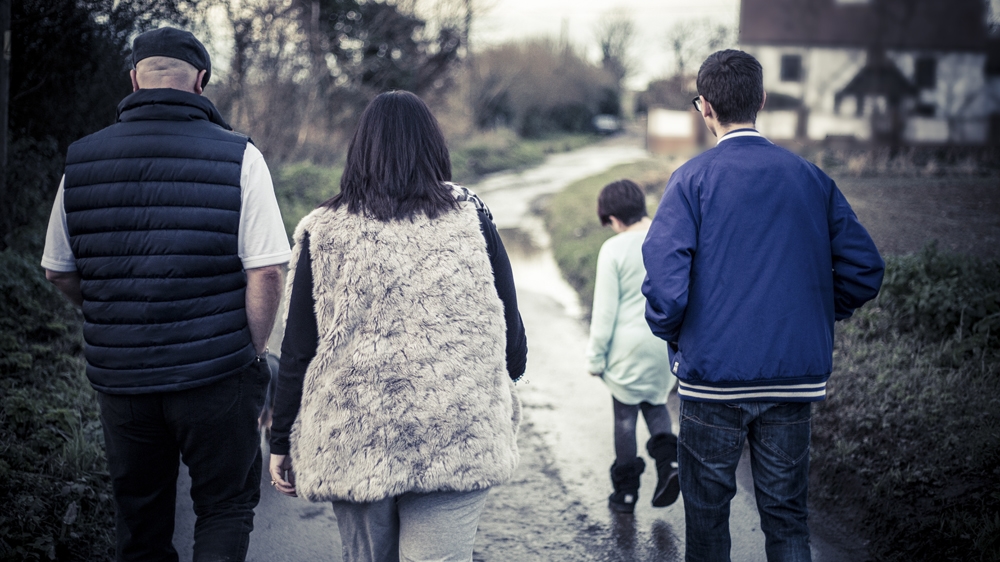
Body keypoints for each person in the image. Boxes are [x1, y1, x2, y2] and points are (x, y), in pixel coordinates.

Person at [41, 27, 290, 561]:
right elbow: (267, 270)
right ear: (201, 82)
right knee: (223, 508)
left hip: (123, 380)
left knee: (141, 518)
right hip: (217, 374)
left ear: (133, 78)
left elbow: (58, 271)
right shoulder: (240, 157)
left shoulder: (80, 160)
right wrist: (249, 349)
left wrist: (113, 315)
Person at [641, 49, 884, 562]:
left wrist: (678, 333)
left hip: (711, 382)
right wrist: (814, 312)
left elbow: (665, 288)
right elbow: (865, 269)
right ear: (763, 101)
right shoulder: (811, 178)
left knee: (707, 522)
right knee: (788, 520)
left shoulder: (690, 180)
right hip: (792, 380)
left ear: (703, 107)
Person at [267, 90, 527, 562]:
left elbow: (299, 349)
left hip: (358, 437)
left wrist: (281, 438)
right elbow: (513, 339)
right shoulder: (470, 216)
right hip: (457, 433)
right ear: (434, 147)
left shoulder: (322, 230)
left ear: (359, 151)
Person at [585, 179, 679, 514]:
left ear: (613, 218)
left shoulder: (614, 249)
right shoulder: (666, 237)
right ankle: (669, 466)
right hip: (661, 343)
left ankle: (625, 493)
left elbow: (605, 312)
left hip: (626, 349)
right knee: (656, 405)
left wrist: (595, 358)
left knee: (625, 418)